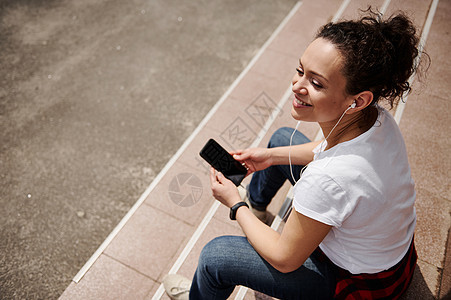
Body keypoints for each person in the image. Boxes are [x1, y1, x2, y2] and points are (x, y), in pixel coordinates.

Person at [163, 10, 423, 300]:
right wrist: (270, 156)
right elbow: (330, 154)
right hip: (388, 254)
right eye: (301, 71)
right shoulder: (377, 120)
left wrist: (236, 204)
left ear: (357, 100)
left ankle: (201, 292)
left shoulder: (328, 179)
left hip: (354, 279)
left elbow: (285, 259)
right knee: (281, 140)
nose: (297, 87)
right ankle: (259, 212)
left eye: (317, 83)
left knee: (216, 257)